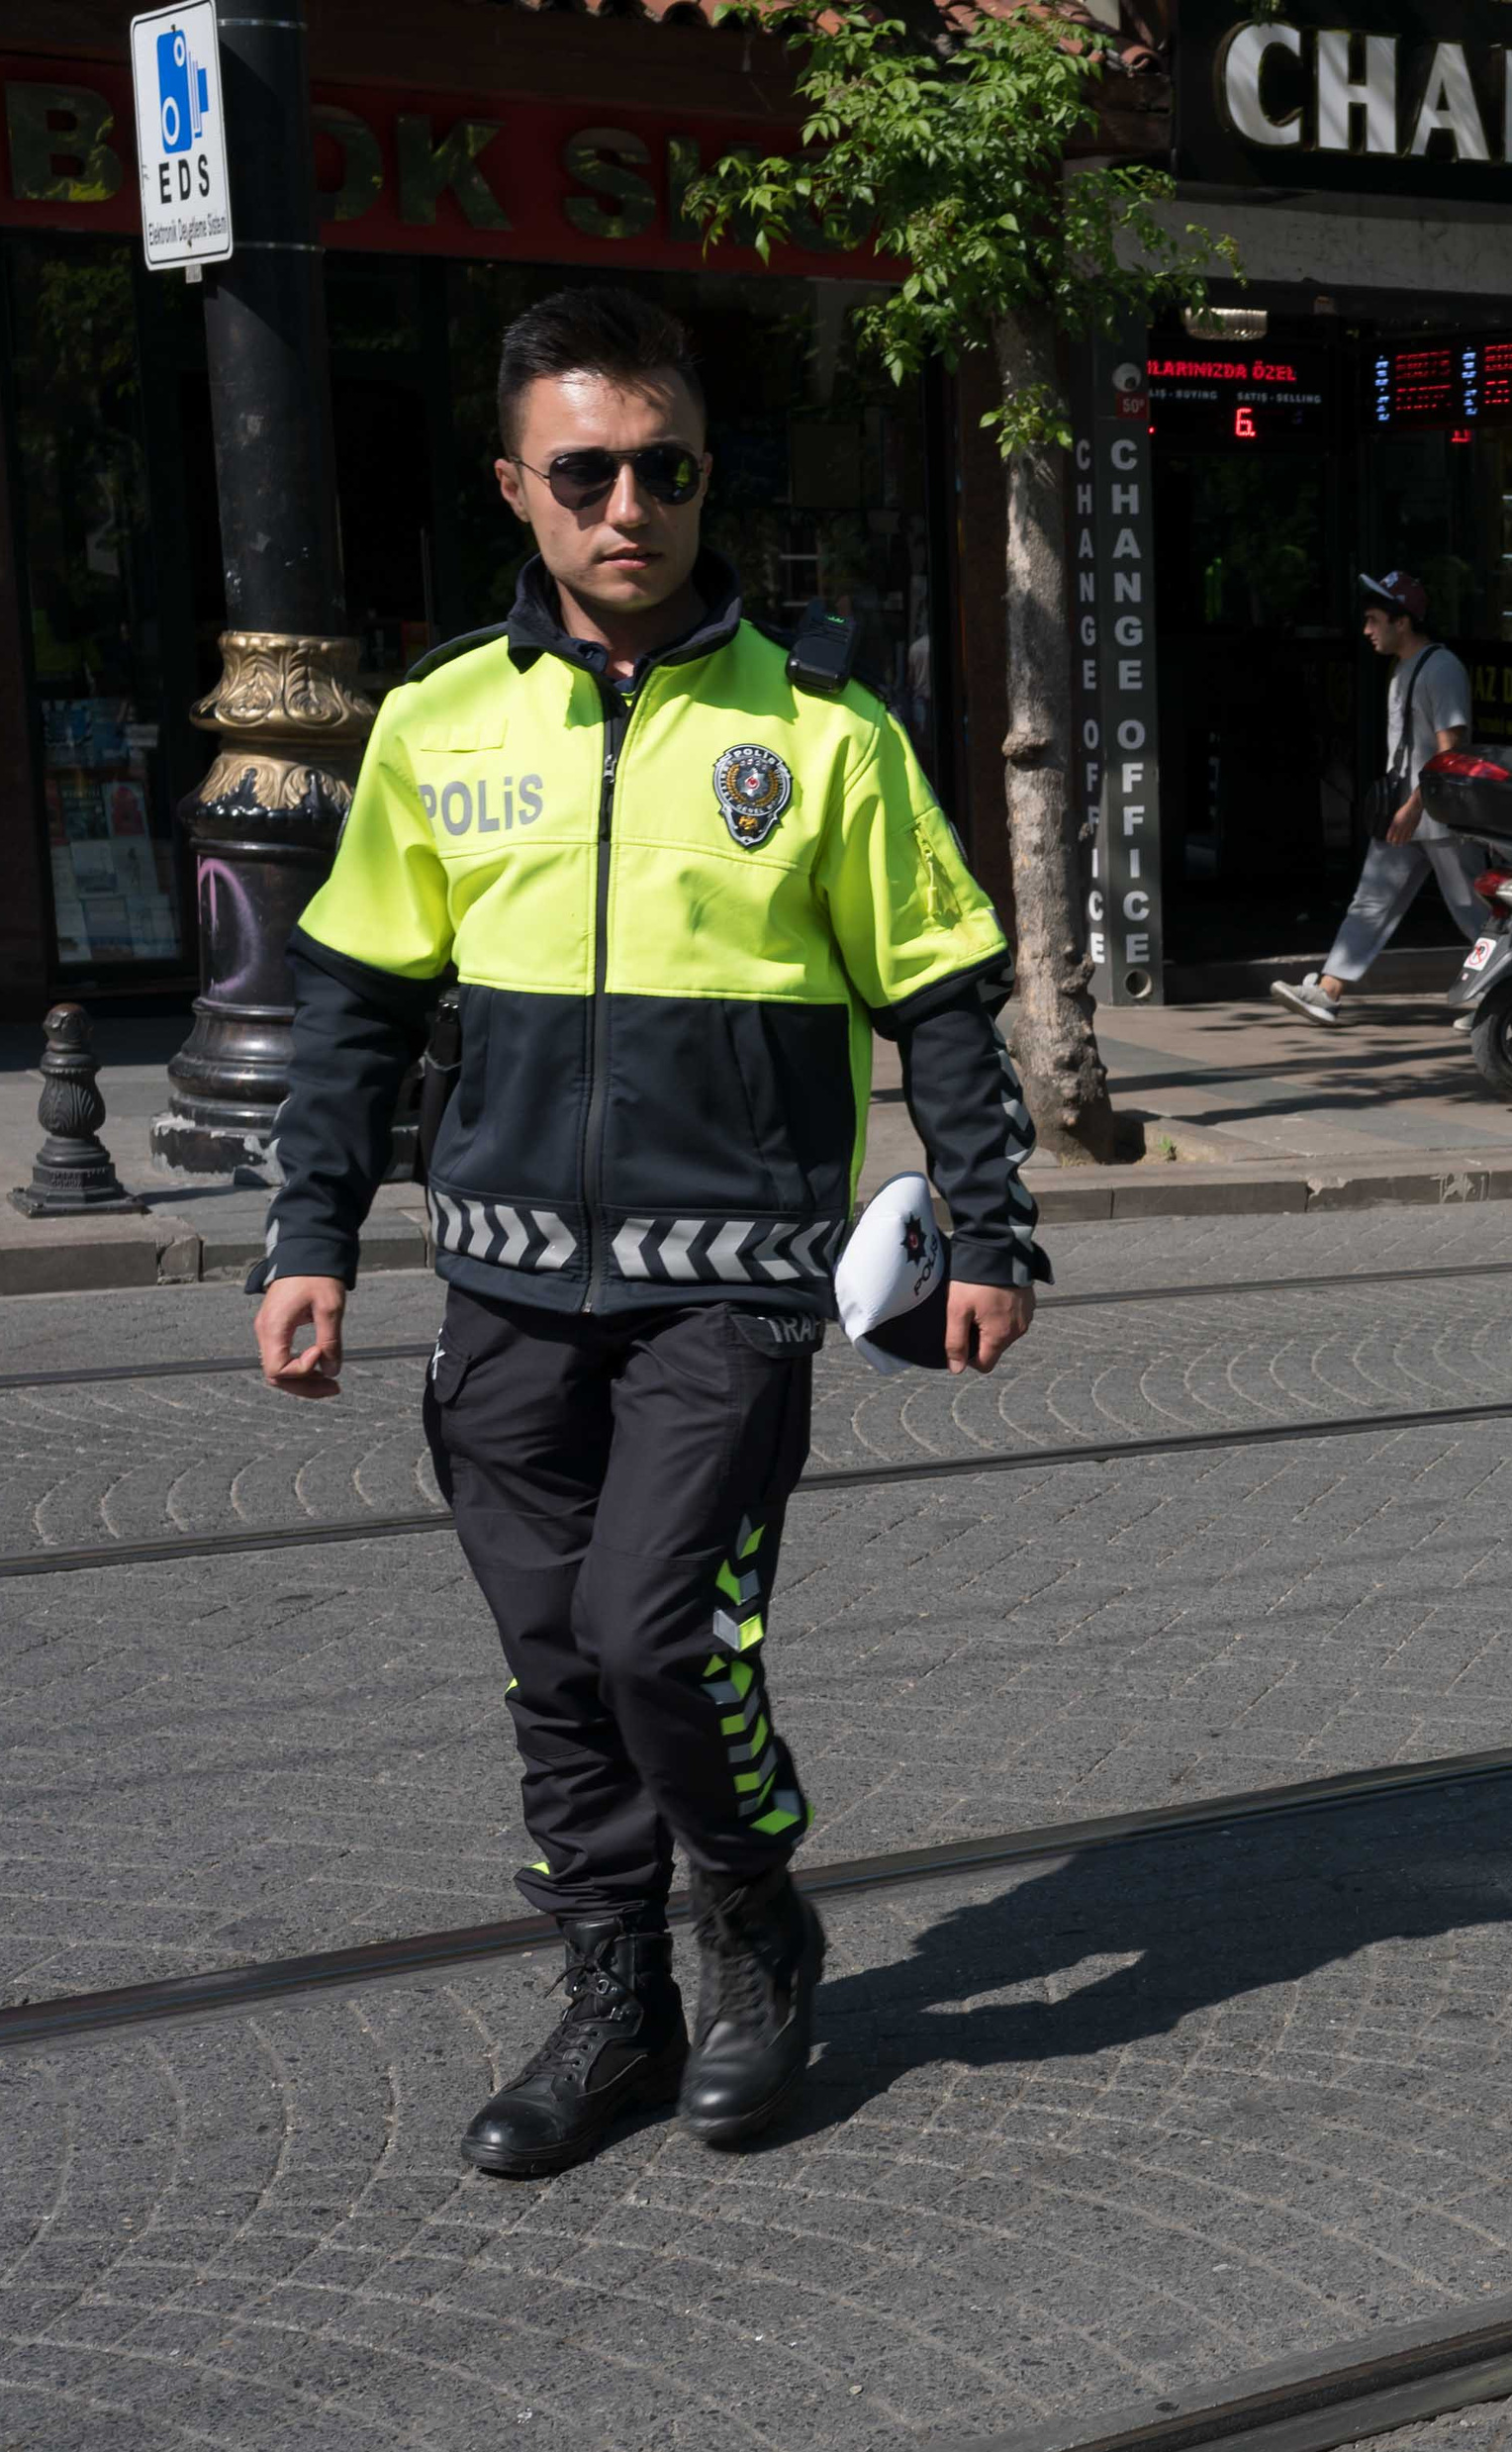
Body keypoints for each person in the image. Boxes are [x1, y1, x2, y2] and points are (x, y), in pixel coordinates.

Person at [246, 287, 1044, 2178]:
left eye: (664, 467)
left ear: (704, 478)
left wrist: (994, 1232)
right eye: (586, 470)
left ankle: (753, 1921)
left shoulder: (827, 727)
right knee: (554, 1661)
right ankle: (616, 1995)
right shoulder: (439, 721)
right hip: (504, 1292)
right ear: (520, 485)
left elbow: (940, 996)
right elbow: (355, 1009)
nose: (629, 506)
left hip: (734, 1295)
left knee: (657, 1638)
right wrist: (309, 1240)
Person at [1270, 569, 1476, 1026]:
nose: (1366, 630)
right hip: (1405, 814)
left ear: (1402, 621)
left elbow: (1452, 748)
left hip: (1436, 817)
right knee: (1371, 901)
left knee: (1471, 911)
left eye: (1373, 619)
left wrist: (1412, 806)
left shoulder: (1441, 668)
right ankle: (1328, 990)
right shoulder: (1404, 669)